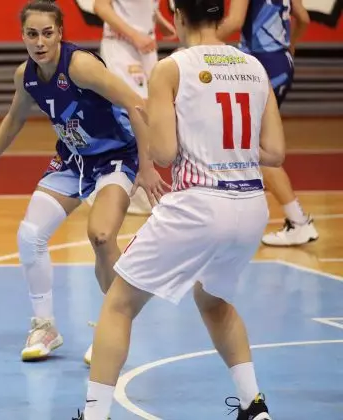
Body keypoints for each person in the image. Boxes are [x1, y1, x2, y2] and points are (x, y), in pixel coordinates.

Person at [75, 0, 283, 417]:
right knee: (214, 300)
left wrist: (151, 122)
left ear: (178, 16)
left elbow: (165, 154)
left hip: (199, 205)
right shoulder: (254, 67)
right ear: (221, 16)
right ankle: (254, 406)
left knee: (119, 303)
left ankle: (95, 414)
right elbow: (276, 153)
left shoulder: (170, 68)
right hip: (251, 207)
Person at [0, 0, 167, 365]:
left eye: (47, 33)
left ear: (60, 33)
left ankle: (112, 326)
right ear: (22, 36)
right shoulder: (26, 75)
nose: (40, 42)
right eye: (32, 34)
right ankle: (45, 327)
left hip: (116, 156)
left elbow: (137, 105)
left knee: (101, 236)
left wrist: (148, 167)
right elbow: (15, 117)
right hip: (74, 159)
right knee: (30, 235)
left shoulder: (80, 66)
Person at [216, 0, 316, 246]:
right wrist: (290, 45)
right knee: (248, 142)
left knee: (254, 147)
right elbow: (303, 18)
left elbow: (235, 21)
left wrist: (195, 44)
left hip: (260, 64)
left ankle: (298, 221)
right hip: (281, 62)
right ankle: (245, 217)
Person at [87, 0, 176, 215]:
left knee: (149, 113)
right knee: (133, 112)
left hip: (145, 45)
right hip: (122, 45)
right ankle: (125, 187)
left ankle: (134, 182)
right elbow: (101, 7)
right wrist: (135, 35)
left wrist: (159, 21)